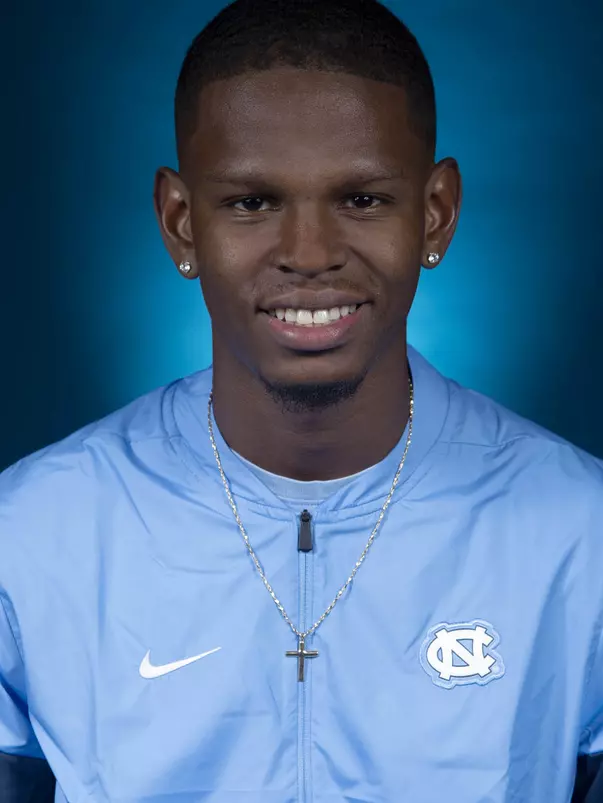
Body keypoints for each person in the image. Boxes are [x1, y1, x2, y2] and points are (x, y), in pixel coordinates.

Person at [1, 0, 602, 801]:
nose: (309, 255)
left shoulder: (579, 535)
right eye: (252, 203)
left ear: (435, 212)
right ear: (181, 223)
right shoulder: (33, 535)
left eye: (361, 199)